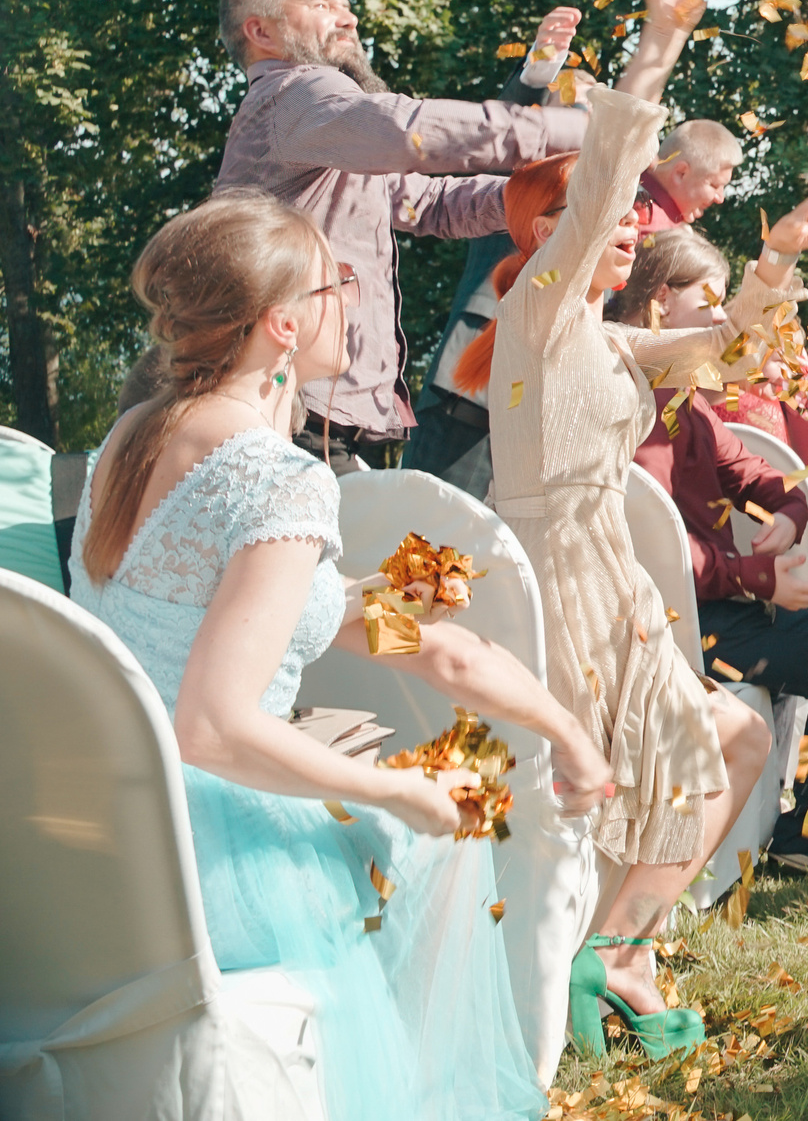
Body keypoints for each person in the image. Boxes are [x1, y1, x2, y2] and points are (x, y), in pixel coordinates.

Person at [68, 191, 615, 1119]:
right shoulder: (280, 479)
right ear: (284, 325)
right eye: (340, 281)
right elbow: (211, 726)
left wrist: (564, 726)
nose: (355, 298)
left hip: (94, 815)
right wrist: (398, 790)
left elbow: (410, 640)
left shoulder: (135, 435)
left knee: (433, 799)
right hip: (199, 851)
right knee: (444, 829)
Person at [454, 0, 808, 1056]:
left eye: (626, 226)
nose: (625, 233)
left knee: (734, 738)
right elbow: (611, 175)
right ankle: (604, 959)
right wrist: (661, 36)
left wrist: (776, 261)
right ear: (547, 233)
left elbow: (726, 336)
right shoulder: (534, 318)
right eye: (601, 222)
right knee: (666, 757)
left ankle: (617, 950)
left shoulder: (610, 345)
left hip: (614, 577)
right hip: (562, 580)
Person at [212, 0, 590, 468]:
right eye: (323, 5)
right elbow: (411, 129)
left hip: (333, 421)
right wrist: (580, 132)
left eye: (347, 6)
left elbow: (429, 203)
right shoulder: (295, 93)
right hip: (293, 418)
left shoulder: (322, 129)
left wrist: (549, 197)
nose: (349, 19)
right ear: (261, 31)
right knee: (408, 546)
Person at [606, 226, 808, 881]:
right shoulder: (625, 401)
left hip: (714, 613)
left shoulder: (685, 396)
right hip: (670, 631)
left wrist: (792, 515)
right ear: (660, 302)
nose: (720, 321)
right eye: (709, 304)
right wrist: (757, 577)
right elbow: (651, 549)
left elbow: (763, 477)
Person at [406, 15, 587, 494]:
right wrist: (537, 76)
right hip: (471, 393)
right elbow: (509, 129)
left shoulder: (603, 210)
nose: (587, 137)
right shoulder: (519, 189)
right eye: (580, 119)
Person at [632, 118, 743, 235]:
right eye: (715, 185)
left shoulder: (630, 188)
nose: (720, 198)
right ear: (681, 173)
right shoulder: (652, 228)